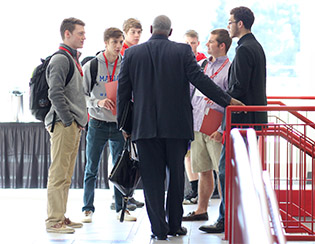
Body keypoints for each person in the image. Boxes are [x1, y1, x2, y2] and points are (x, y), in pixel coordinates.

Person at [117, 15, 244, 241]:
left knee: (152, 181)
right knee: (176, 177)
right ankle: (175, 225)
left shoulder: (132, 54)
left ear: (150, 29)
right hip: (176, 127)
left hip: (144, 128)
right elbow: (201, 81)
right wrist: (227, 100)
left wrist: (125, 126)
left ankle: (158, 229)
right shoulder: (182, 52)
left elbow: (123, 93)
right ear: (171, 31)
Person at [199, 6, 267, 233]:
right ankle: (233, 218)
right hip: (250, 120)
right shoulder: (253, 46)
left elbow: (239, 89)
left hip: (242, 121)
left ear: (240, 24)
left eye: (230, 22)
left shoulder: (246, 50)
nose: (228, 26)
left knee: (227, 170)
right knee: (233, 170)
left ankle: (226, 219)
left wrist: (225, 103)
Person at [81, 28, 137, 223]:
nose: (119, 46)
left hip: (118, 125)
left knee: (120, 167)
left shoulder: (125, 65)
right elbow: (82, 95)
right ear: (106, 43)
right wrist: (98, 102)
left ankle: (122, 208)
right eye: (115, 42)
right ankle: (87, 208)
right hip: (97, 123)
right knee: (91, 167)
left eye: (121, 42)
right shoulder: (92, 66)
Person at [182, 29, 232, 221]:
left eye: (211, 42)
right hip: (197, 124)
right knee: (203, 169)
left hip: (215, 128)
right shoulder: (202, 65)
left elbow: (229, 101)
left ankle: (224, 215)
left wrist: (221, 130)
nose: (206, 45)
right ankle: (201, 210)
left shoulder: (230, 68)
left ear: (222, 46)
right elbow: (191, 91)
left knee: (221, 172)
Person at [45, 17, 88, 233]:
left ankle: (60, 216)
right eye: (80, 33)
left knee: (66, 175)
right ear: (67, 34)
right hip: (64, 124)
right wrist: (69, 119)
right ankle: (54, 221)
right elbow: (55, 93)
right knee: (59, 173)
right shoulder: (61, 59)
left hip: (73, 124)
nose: (84, 37)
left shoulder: (73, 58)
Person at [118, 18, 144, 208]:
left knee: (131, 154)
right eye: (133, 32)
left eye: (139, 32)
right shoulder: (123, 53)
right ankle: (121, 197)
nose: (136, 35)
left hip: (136, 107)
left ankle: (129, 193)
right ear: (125, 32)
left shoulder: (138, 52)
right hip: (124, 108)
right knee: (122, 154)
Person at [182, 29, 207, 205]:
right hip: (186, 112)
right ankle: (193, 187)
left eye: (193, 42)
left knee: (201, 152)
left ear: (198, 43)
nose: (190, 46)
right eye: (187, 43)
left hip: (200, 112)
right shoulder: (180, 60)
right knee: (187, 153)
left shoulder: (206, 62)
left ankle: (201, 190)